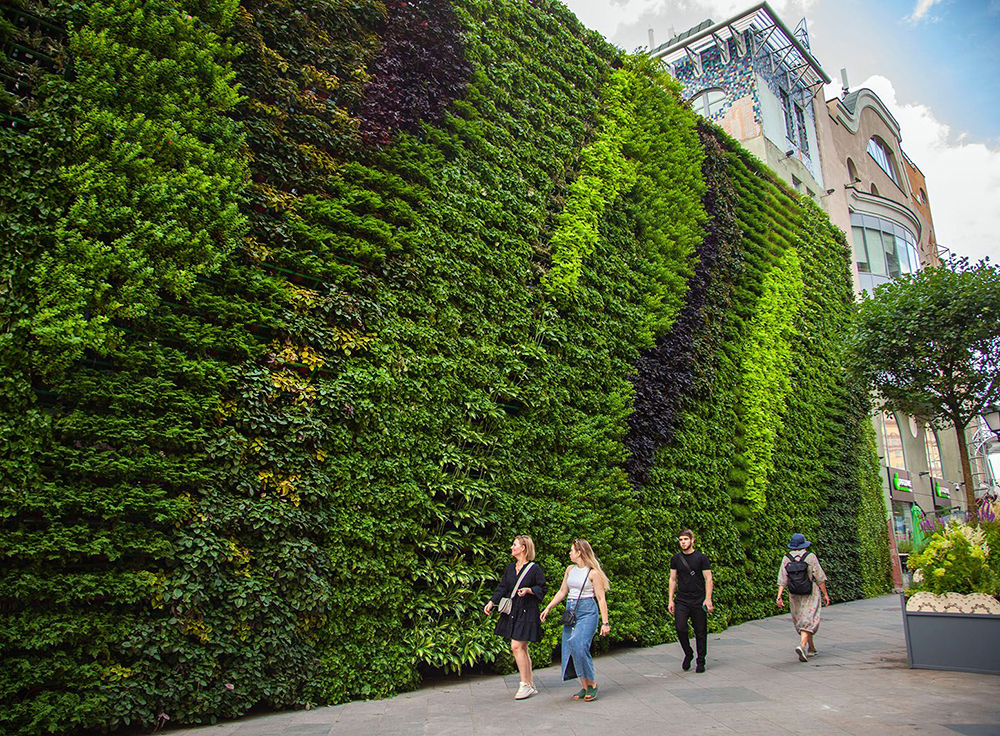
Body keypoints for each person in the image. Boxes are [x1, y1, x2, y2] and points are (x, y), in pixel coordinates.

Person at [540, 538, 610, 702]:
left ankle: (592, 683)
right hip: (570, 611)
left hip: (587, 612)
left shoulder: (593, 573)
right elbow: (562, 591)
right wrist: (548, 607)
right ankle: (585, 685)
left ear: (579, 552)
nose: (569, 553)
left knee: (578, 643)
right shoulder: (570, 570)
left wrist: (605, 623)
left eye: (571, 550)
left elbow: (601, 598)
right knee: (571, 646)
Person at [484, 535, 547, 700]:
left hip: (527, 611)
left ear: (523, 548)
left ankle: (524, 684)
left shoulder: (534, 569)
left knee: (516, 646)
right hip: (513, 611)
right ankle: (530, 683)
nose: (512, 547)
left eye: (514, 545)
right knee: (523, 648)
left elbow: (543, 588)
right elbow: (503, 586)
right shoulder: (510, 568)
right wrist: (492, 602)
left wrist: (529, 590)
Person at [776, 533, 831, 662]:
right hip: (810, 591)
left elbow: (782, 578)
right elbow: (819, 577)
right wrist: (825, 594)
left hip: (794, 593)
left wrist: (779, 596)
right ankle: (802, 645)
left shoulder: (786, 558)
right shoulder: (810, 557)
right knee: (809, 619)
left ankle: (811, 648)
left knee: (802, 619)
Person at [668, 529, 713, 673]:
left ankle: (701, 660)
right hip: (682, 599)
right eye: (681, 540)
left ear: (692, 540)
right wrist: (670, 600)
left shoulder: (701, 558)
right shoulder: (676, 558)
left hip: (698, 599)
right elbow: (672, 579)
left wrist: (708, 598)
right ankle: (688, 653)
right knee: (680, 627)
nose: (683, 542)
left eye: (685, 539)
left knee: (700, 631)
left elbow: (708, 579)